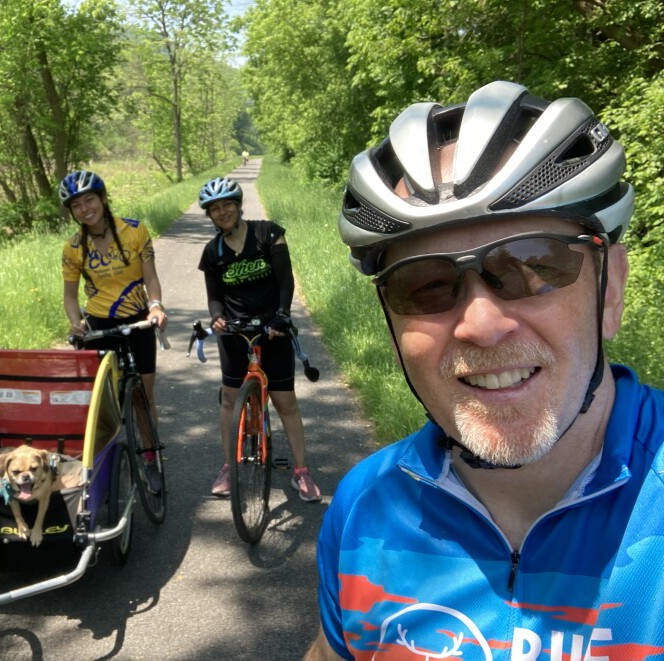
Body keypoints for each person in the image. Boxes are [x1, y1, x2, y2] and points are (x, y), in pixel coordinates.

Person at [306, 79, 664, 661]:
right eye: (424, 286)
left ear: (611, 289)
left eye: (531, 265)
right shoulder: (364, 511)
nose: (482, 325)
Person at [197, 176, 321, 502]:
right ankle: (229, 465)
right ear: (209, 215)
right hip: (235, 332)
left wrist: (283, 313)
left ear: (238, 205)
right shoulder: (213, 251)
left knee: (284, 402)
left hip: (272, 329)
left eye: (227, 205)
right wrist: (216, 317)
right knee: (229, 399)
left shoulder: (268, 233)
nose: (222, 212)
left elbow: (285, 280)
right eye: (214, 209)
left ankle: (301, 471)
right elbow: (214, 297)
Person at [59, 169, 167, 492]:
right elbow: (69, 296)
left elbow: (150, 277)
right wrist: (75, 321)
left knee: (143, 399)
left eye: (89, 199)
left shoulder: (135, 231)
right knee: (100, 404)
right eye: (76, 205)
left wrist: (157, 305)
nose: (84, 208)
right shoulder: (73, 247)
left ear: (103, 198)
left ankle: (150, 459)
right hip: (100, 326)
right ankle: (101, 464)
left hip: (137, 321)